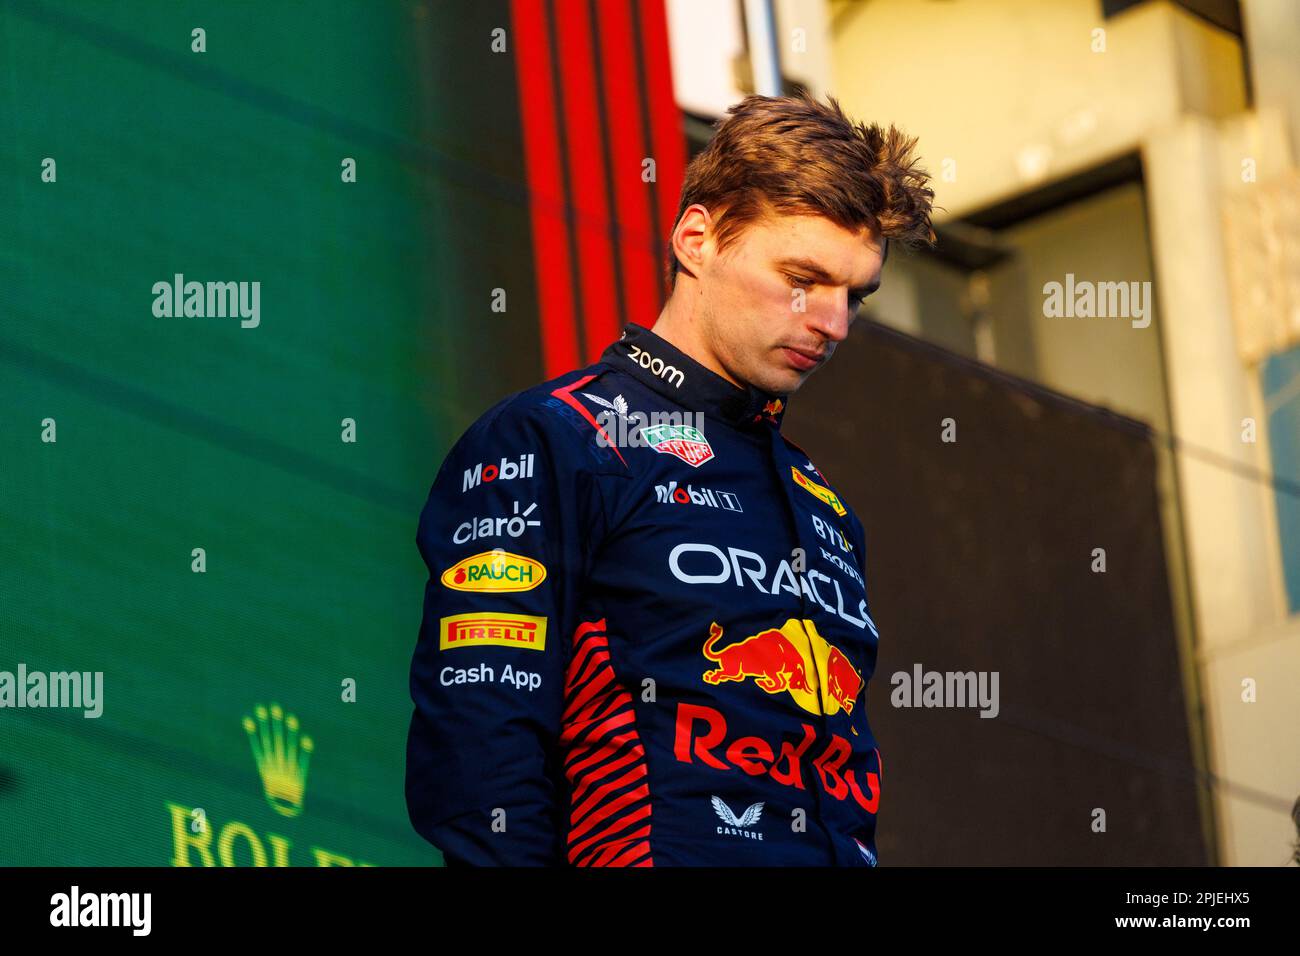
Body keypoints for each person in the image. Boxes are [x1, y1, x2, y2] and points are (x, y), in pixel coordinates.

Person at [406, 90, 935, 866]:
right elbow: (481, 742)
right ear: (697, 239)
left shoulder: (827, 508)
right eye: (803, 278)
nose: (833, 324)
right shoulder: (555, 437)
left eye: (853, 294)